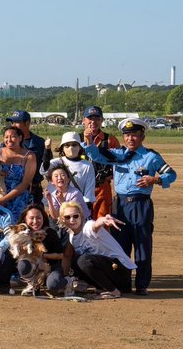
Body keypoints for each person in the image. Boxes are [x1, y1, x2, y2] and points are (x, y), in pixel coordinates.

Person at [80, 118, 176, 295]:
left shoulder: (151, 156)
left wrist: (155, 179)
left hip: (141, 205)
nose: (130, 139)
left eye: (135, 135)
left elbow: (171, 174)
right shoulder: (118, 155)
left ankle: (141, 285)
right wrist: (87, 141)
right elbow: (96, 155)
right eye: (127, 135)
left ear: (142, 137)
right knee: (119, 246)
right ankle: (123, 283)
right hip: (120, 205)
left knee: (142, 246)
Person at [0, 204, 70, 297]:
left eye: (38, 218)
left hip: (49, 266)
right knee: (18, 262)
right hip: (30, 264)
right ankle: (22, 284)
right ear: (25, 219)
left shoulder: (50, 233)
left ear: (43, 218)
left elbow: (60, 256)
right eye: (31, 218)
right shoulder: (19, 232)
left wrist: (41, 255)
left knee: (54, 284)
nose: (35, 221)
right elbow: (11, 247)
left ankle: (69, 281)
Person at [57, 202, 135, 300]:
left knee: (83, 261)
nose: (72, 220)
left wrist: (104, 220)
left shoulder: (88, 226)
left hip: (120, 272)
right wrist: (65, 279)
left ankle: (114, 291)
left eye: (75, 216)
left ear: (81, 216)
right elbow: (67, 256)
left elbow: (96, 225)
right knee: (76, 261)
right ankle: (101, 288)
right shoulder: (72, 237)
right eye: (68, 217)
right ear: (63, 219)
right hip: (108, 271)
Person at [0, 125, 36, 223]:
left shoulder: (29, 156)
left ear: (20, 138)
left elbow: (25, 184)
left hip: (18, 200)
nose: (9, 140)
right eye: (6, 137)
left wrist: (3, 200)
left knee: (16, 231)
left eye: (13, 136)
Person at [78, 105, 120, 219]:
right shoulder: (76, 139)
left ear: (102, 120)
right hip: (79, 187)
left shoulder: (110, 140)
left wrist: (109, 176)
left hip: (101, 187)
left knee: (102, 222)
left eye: (97, 118)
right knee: (79, 222)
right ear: (84, 120)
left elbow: (119, 164)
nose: (93, 121)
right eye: (90, 118)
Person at [6, 110, 47, 202]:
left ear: (27, 123)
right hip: (11, 190)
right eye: (12, 122)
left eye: (17, 122)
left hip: (33, 191)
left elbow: (47, 167)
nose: (13, 125)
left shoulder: (39, 143)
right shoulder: (6, 144)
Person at [48, 131, 95, 213]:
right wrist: (47, 149)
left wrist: (85, 207)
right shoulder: (55, 162)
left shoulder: (87, 165)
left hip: (78, 208)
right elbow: (43, 170)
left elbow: (89, 190)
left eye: (74, 145)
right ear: (62, 148)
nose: (71, 148)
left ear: (80, 147)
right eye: (67, 145)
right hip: (57, 206)